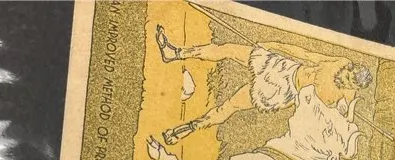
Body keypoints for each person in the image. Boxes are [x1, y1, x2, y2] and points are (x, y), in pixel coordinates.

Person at [154, 30, 372, 140]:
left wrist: (349, 110)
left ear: (354, 87)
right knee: (228, 49)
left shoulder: (346, 98)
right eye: (348, 74)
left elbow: (341, 123)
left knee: (230, 106)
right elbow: (306, 54)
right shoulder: (340, 62)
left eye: (350, 82)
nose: (345, 78)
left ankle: (184, 130)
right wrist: (274, 45)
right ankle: (175, 53)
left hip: (281, 92)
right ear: (351, 67)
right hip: (282, 67)